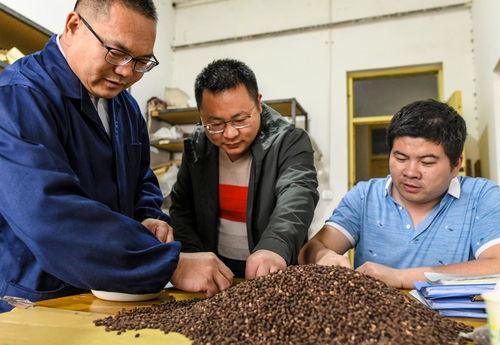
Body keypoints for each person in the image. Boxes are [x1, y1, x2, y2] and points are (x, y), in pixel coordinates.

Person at [0, 0, 232, 313]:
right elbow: (48, 214)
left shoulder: (124, 107)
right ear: (73, 27)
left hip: (109, 293)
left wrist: (149, 216)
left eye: (141, 61)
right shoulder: (18, 96)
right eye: (116, 53)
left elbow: (142, 179)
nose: (125, 72)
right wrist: (169, 265)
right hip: (34, 297)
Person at [299, 99, 500, 289]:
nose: (411, 172)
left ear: (456, 165)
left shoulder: (482, 197)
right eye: (400, 157)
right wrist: (323, 256)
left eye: (427, 162)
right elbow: (312, 248)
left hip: (455, 322)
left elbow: (496, 266)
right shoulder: (365, 196)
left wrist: (401, 277)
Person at [170, 59, 319, 279]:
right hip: (217, 269)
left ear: (258, 104)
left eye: (240, 120)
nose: (229, 134)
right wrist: (195, 256)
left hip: (273, 267)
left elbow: (298, 195)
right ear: (201, 115)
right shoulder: (197, 147)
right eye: (216, 124)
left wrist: (274, 245)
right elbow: (182, 208)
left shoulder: (289, 141)